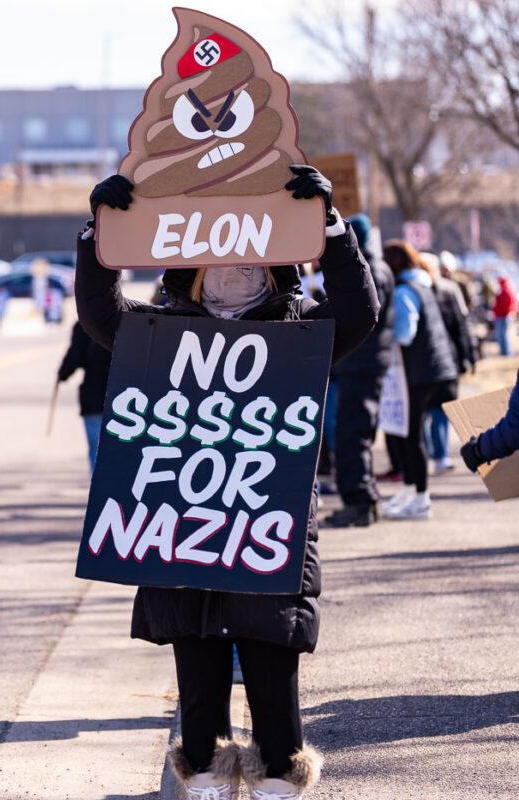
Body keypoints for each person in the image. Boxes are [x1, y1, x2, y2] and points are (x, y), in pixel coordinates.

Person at [78, 167, 377, 800]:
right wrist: (100, 237)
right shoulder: (161, 333)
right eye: (215, 267)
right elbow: (100, 313)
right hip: (186, 534)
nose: (231, 275)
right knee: (198, 681)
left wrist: (330, 227)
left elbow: (359, 312)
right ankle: (208, 785)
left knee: (274, 676)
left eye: (247, 266)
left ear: (273, 270)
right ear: (189, 272)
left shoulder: (297, 331)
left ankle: (277, 785)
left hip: (268, 527)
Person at [322, 214, 395, 527]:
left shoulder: (371, 272)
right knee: (356, 432)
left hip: (361, 363)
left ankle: (359, 501)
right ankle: (362, 499)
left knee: (352, 433)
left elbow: (361, 314)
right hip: (366, 363)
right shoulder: (380, 268)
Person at [379, 241, 459, 520]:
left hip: (420, 371)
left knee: (411, 435)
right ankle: (411, 488)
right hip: (432, 368)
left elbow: (404, 334)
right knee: (408, 433)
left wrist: (380, 339)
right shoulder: (423, 285)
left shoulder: (404, 292)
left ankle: (421, 497)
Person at [423, 252, 476, 472]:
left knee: (434, 410)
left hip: (440, 361)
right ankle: (433, 455)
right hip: (437, 361)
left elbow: (461, 327)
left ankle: (435, 454)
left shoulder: (448, 290)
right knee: (431, 411)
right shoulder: (437, 290)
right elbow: (461, 327)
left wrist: (467, 356)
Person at [56, 321, 111, 470]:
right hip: (123, 396)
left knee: (96, 450)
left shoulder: (84, 325)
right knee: (118, 449)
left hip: (93, 394)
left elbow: (74, 355)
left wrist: (62, 374)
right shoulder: (122, 321)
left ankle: (98, 489)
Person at [491, 275, 516, 356]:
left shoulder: (505, 289)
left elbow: (506, 304)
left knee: (504, 335)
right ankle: (504, 352)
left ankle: (507, 352)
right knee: (501, 335)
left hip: (504, 315)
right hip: (501, 315)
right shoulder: (502, 289)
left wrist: (507, 311)